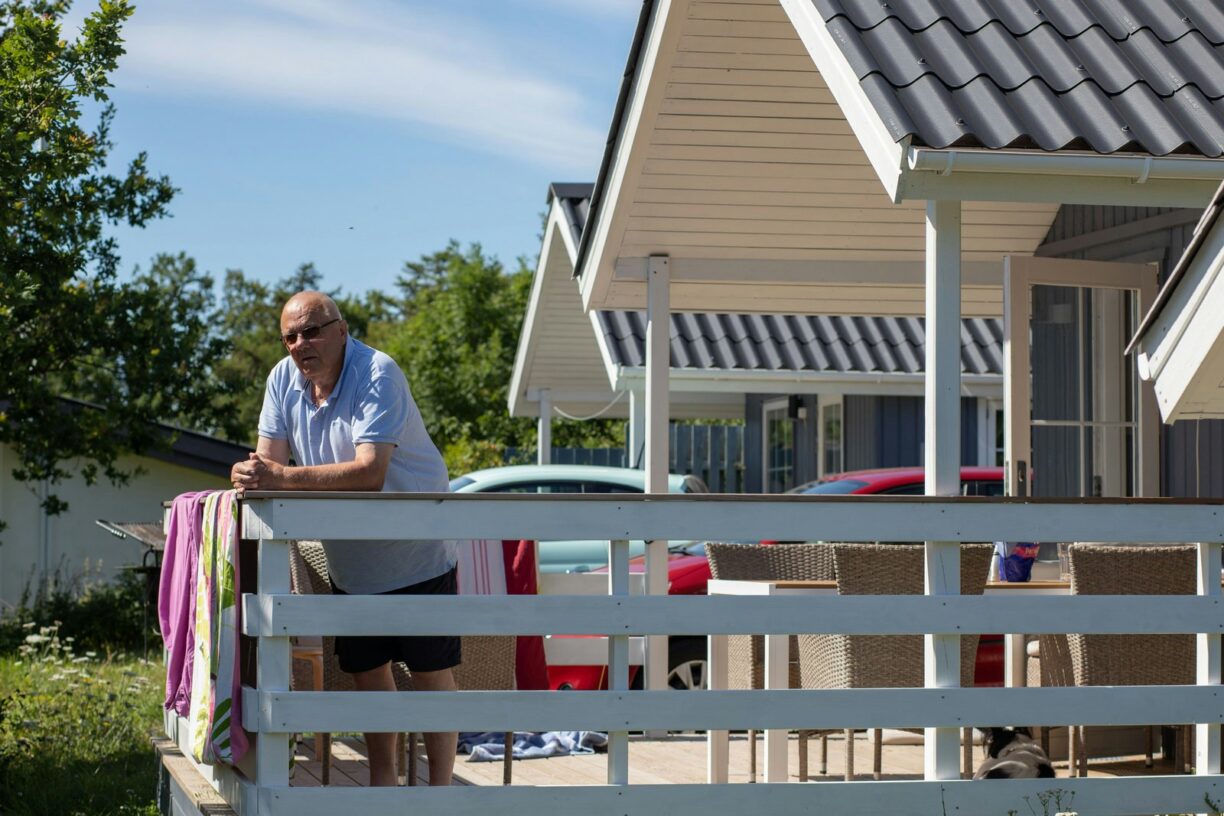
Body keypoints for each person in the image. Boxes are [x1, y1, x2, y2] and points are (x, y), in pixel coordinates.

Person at [231, 291, 457, 787]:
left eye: (311, 331)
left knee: (430, 675)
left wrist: (277, 477)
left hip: (417, 551)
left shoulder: (378, 372)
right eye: (290, 336)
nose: (300, 344)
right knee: (369, 674)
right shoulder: (281, 379)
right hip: (352, 561)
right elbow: (268, 465)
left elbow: (370, 473)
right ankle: (383, 789)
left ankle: (440, 795)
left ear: (341, 329)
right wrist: (249, 474)